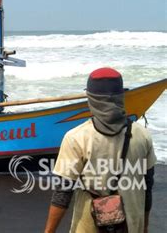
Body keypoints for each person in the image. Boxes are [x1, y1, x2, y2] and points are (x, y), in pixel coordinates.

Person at [44, 67, 156, 233]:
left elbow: (63, 193)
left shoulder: (76, 137)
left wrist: (49, 231)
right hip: (132, 225)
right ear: (121, 97)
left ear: (91, 99)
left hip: (89, 226)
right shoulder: (142, 135)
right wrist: (144, 226)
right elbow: (147, 187)